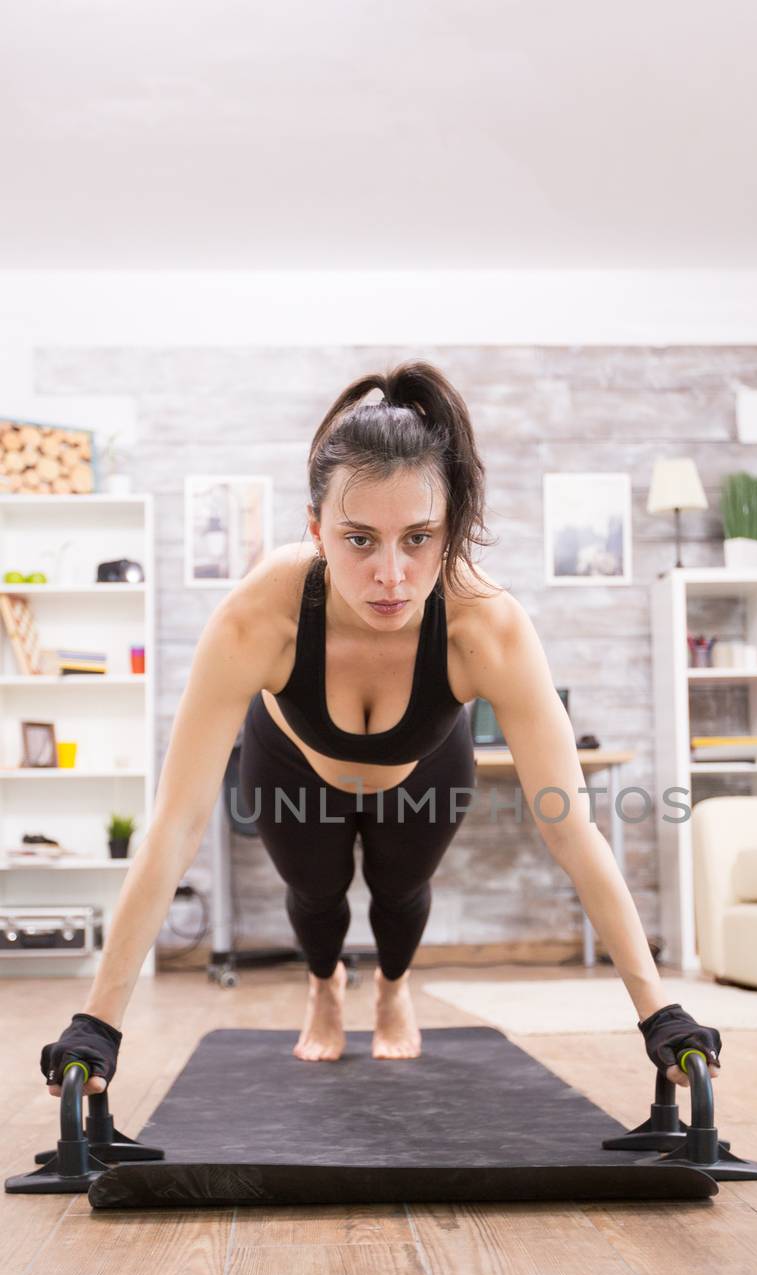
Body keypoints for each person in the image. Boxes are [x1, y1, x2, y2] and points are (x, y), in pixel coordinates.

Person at [40, 361, 722, 1095]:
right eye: (359, 539)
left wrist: (658, 1011)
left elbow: (569, 825)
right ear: (316, 529)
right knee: (316, 898)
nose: (392, 574)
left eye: (419, 538)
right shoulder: (256, 617)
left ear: (449, 528)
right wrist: (97, 1024)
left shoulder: (484, 625)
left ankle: (392, 988)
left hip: (422, 769)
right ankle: (324, 984)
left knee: (400, 895)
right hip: (292, 766)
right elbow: (174, 824)